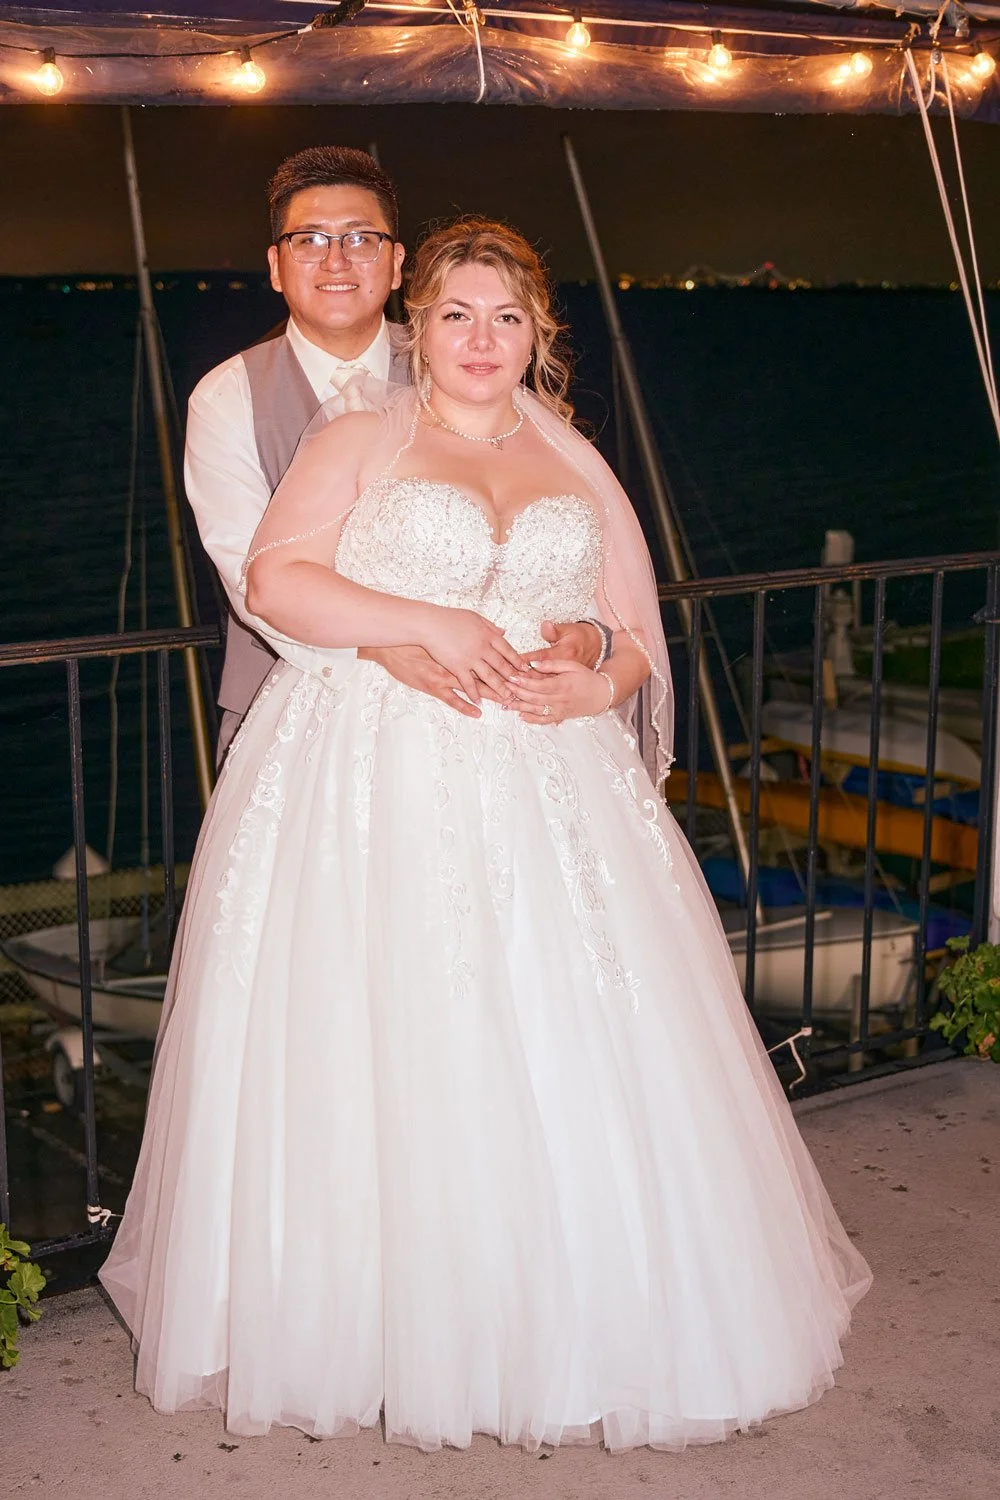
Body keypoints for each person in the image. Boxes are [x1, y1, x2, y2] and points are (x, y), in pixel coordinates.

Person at [101, 218, 871, 1454]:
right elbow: (278, 578)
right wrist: (426, 624)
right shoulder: (362, 436)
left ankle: (577, 1317)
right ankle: (375, 1318)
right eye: (456, 313)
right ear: (419, 324)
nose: (479, 339)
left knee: (570, 1037)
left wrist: (589, 672)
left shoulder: (574, 458)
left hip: (550, 788)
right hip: (373, 770)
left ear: (536, 335)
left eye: (504, 318)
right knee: (389, 1036)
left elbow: (630, 635)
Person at [184, 146, 600, 763]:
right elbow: (251, 578)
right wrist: (375, 648)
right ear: (275, 266)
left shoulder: (464, 357)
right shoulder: (229, 396)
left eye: (361, 239)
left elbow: (552, 506)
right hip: (304, 714)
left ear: (398, 262)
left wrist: (592, 633)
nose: (337, 260)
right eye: (310, 241)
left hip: (502, 716)